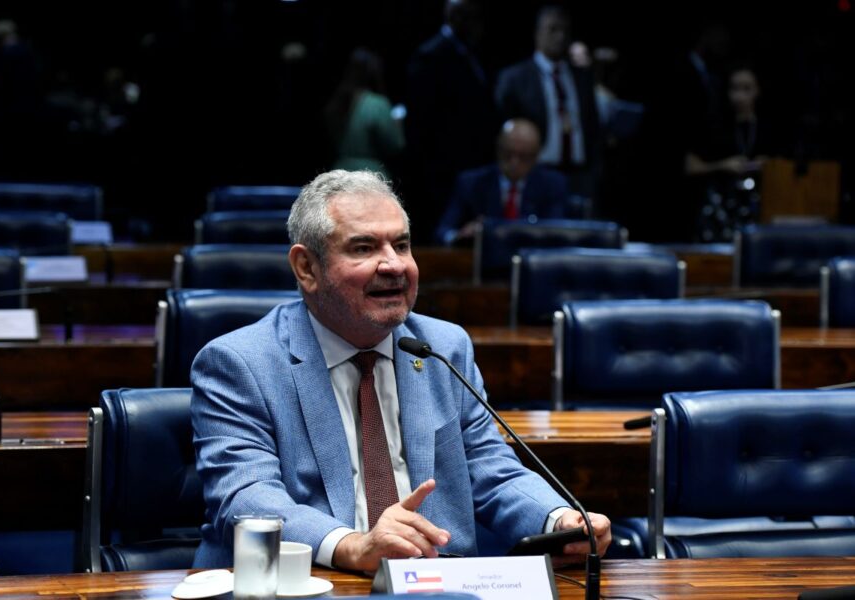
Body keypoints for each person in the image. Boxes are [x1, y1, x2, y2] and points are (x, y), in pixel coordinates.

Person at [190, 169, 611, 571]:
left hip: (439, 583)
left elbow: (489, 467)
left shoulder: (443, 348)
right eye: (363, 248)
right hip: (306, 581)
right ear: (307, 268)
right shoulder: (239, 363)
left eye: (402, 245)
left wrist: (558, 521)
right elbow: (246, 498)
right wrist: (353, 545)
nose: (394, 265)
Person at [405, 0, 499, 243]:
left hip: (472, 168)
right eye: (472, 16)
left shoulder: (472, 53)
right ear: (456, 16)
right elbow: (420, 125)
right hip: (441, 172)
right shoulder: (431, 55)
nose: (479, 24)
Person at [495, 5, 601, 203]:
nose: (560, 37)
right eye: (552, 29)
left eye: (565, 31)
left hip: (580, 174)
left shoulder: (582, 77)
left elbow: (593, 127)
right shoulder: (515, 78)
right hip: (536, 172)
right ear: (537, 33)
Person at [435, 118, 570, 246]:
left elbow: (556, 233)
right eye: (508, 153)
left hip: (533, 263)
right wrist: (459, 236)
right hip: (484, 265)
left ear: (536, 156)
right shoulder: (471, 183)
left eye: (524, 156)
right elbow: (443, 232)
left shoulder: (553, 184)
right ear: (498, 148)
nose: (514, 162)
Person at [685, 65, 779, 242]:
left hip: (758, 204)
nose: (740, 96)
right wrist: (722, 165)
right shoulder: (715, 127)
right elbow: (690, 166)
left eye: (747, 88)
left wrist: (769, 166)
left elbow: (785, 167)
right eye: (734, 88)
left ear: (757, 90)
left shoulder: (769, 129)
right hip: (720, 206)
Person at [324, 48, 404, 179]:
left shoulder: (337, 101)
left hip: (339, 175)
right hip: (370, 176)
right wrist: (398, 123)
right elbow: (394, 145)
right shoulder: (377, 104)